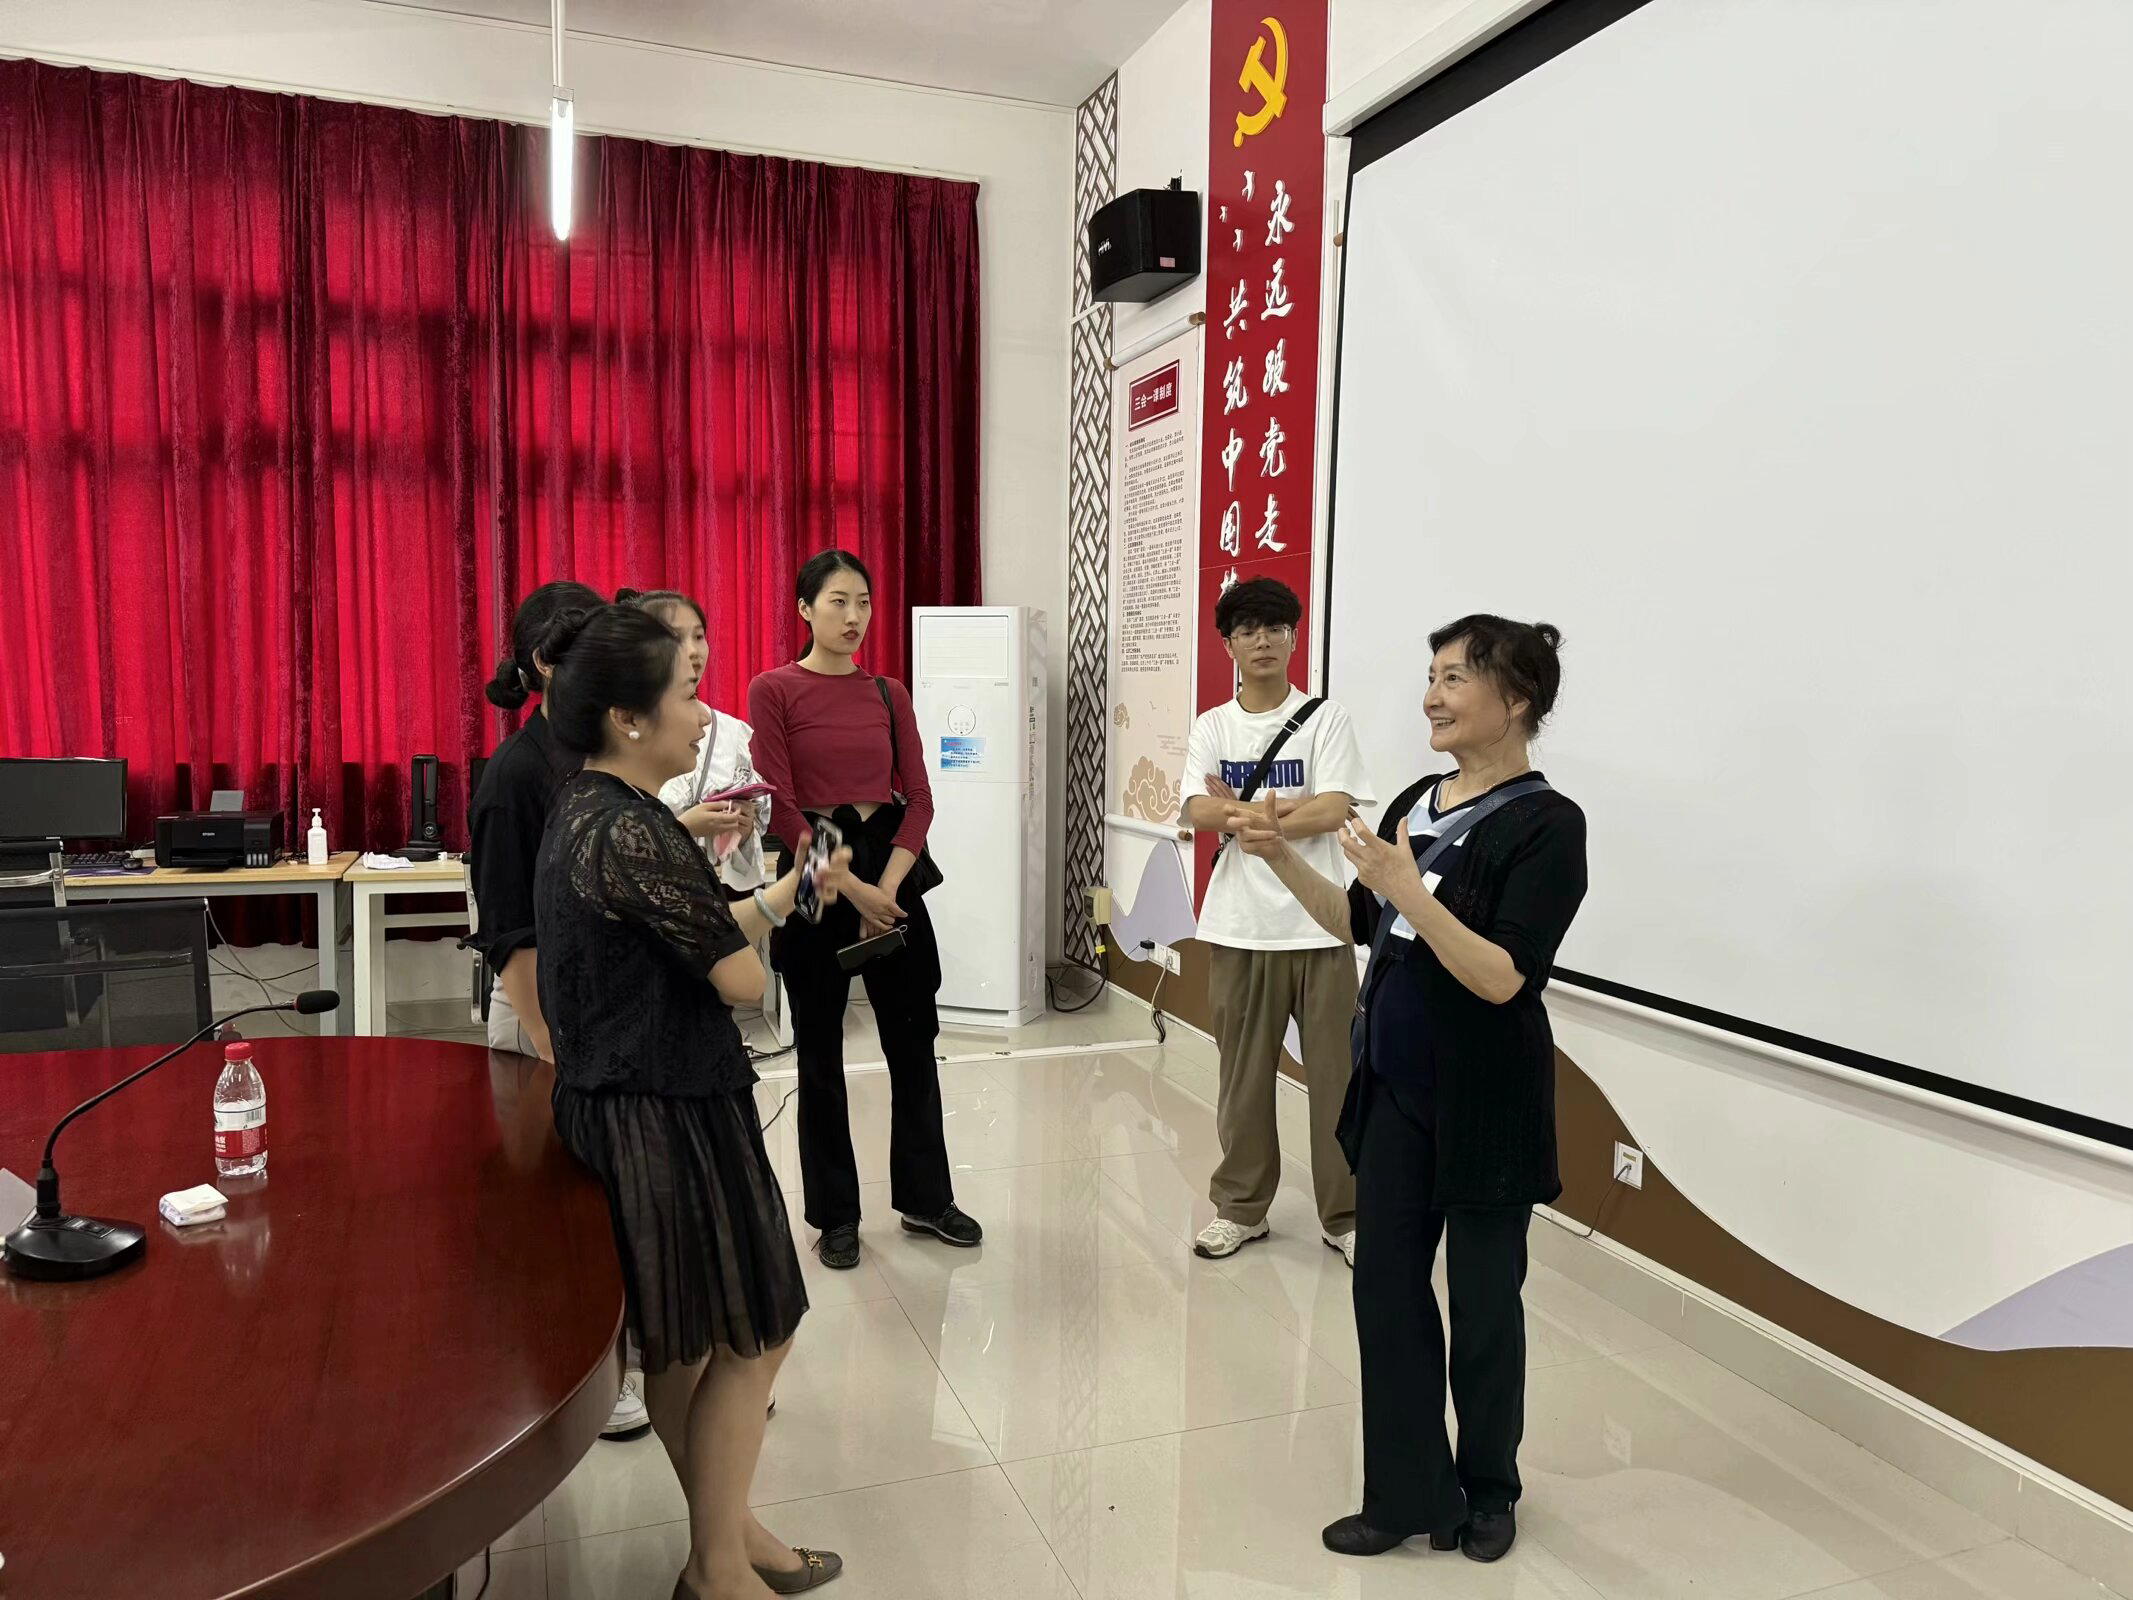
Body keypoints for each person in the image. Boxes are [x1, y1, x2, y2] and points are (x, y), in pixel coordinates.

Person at [1235, 615, 1587, 1566]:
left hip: (1487, 1102)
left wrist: (1412, 891)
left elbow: (1502, 977)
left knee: (1484, 1306)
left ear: (1516, 699)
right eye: (1430, 677)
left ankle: (1489, 1489)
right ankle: (1404, 1492)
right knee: (1385, 1293)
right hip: (1393, 1087)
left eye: (1454, 677)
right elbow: (1359, 921)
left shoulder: (1548, 825)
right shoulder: (1413, 802)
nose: (1431, 696)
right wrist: (1281, 857)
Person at [534, 601, 854, 1599]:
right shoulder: (637, 828)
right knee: (759, 1332)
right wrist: (773, 921)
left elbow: (696, 931)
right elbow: (741, 981)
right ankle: (717, 1568)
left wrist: (791, 890)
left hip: (626, 1104)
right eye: (686, 694)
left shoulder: (587, 808)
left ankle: (730, 1536)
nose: (702, 715)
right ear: (628, 718)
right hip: (667, 1114)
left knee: (687, 1346)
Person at [746, 549, 980, 1272]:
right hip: (817, 868)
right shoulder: (773, 689)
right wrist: (850, 887)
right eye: (838, 601)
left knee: (913, 1044)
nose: (854, 617)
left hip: (890, 866)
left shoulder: (887, 692)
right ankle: (836, 1216)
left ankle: (926, 1198)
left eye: (864, 603)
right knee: (819, 1052)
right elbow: (781, 807)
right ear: (804, 608)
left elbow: (921, 798)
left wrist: (891, 888)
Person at [468, 579, 658, 1443]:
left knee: (620, 1202)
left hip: (611, 1014)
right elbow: (510, 933)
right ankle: (577, 1375)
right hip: (542, 1018)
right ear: (547, 664)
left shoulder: (605, 751)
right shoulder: (516, 776)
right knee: (557, 1208)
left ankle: (638, 1358)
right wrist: (551, 1046)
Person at [1179, 577, 1372, 1266]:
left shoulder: (1325, 719)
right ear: (1227, 643)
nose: (1262, 640)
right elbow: (1195, 809)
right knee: (1242, 1081)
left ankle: (1346, 1215)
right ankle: (1241, 1209)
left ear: (1294, 638)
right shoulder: (1213, 725)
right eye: (1247, 630)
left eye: (1275, 628)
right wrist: (1284, 810)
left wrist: (1246, 812)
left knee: (1338, 1081)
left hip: (1320, 926)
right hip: (1238, 927)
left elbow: (1336, 808)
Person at [619, 588, 771, 893]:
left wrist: (742, 828)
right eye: (675, 637)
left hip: (714, 892)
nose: (693, 650)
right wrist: (686, 827)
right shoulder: (617, 736)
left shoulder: (726, 729)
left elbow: (753, 825)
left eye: (698, 636)